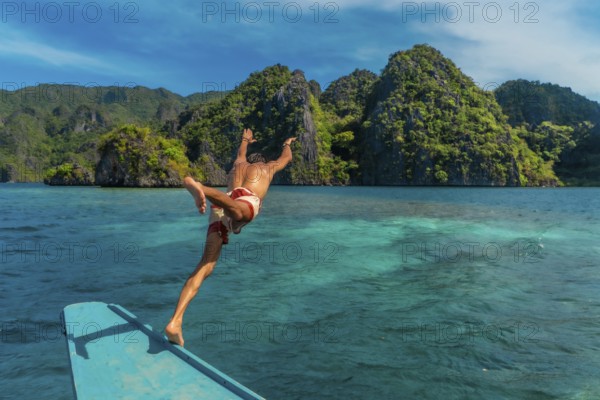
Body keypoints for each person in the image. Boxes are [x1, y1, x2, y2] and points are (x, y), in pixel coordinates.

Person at [165, 128, 297, 346]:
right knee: (237, 211)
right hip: (243, 202)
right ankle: (201, 188)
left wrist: (245, 139)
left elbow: (241, 152)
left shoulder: (238, 164)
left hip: (221, 203)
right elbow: (286, 158)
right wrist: (288, 143)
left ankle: (175, 321)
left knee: (205, 265)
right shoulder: (267, 168)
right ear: (262, 161)